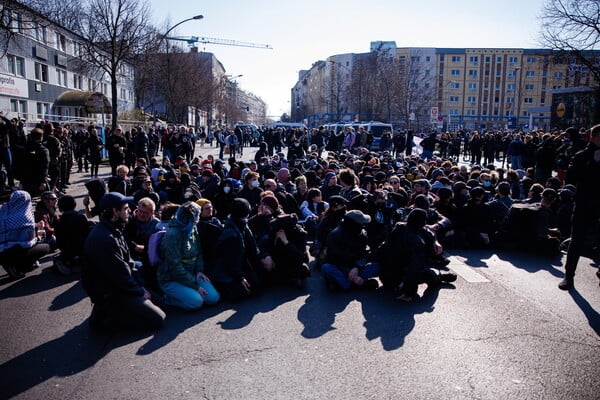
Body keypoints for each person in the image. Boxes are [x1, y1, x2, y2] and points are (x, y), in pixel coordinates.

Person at [82, 192, 165, 331]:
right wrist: (139, 290)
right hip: (110, 290)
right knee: (158, 319)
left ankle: (120, 309)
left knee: (162, 303)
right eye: (126, 208)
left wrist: (141, 285)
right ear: (115, 211)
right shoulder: (104, 238)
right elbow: (119, 276)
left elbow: (128, 263)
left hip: (119, 282)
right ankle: (106, 316)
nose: (130, 211)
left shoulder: (114, 228)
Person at [156, 202, 220, 310]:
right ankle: (168, 298)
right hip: (172, 278)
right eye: (197, 216)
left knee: (213, 298)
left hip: (191, 274)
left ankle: (190, 292)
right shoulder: (172, 235)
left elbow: (198, 252)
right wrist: (195, 285)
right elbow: (175, 267)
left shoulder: (192, 228)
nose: (198, 218)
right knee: (197, 302)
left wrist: (200, 271)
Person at [559, 124, 600, 290]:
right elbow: (571, 178)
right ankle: (569, 276)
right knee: (577, 240)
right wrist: (593, 163)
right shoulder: (582, 155)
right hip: (584, 202)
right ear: (593, 137)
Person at [207, 198, 270, 301]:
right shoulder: (230, 233)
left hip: (240, 265)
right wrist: (240, 277)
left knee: (258, 285)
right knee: (242, 292)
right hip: (227, 270)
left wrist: (263, 257)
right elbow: (230, 260)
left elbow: (253, 246)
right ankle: (223, 287)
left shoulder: (242, 224)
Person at [321, 210, 380, 291]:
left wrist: (357, 267)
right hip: (341, 268)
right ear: (354, 224)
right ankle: (356, 284)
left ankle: (344, 284)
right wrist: (350, 272)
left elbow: (365, 253)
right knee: (326, 267)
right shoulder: (334, 236)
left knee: (376, 265)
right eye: (361, 223)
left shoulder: (362, 234)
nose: (363, 225)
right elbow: (333, 259)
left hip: (357, 267)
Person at [0, 190, 51, 280]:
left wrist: (36, 224)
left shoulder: (4, 211)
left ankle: (13, 264)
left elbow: (13, 226)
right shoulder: (25, 217)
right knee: (46, 246)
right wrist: (39, 236)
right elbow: (28, 243)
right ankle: (21, 266)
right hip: (15, 251)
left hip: (2, 249)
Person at [53, 195, 90, 275]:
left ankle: (69, 262)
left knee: (58, 258)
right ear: (74, 205)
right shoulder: (81, 218)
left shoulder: (59, 222)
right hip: (83, 249)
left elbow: (59, 242)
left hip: (68, 251)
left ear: (60, 208)